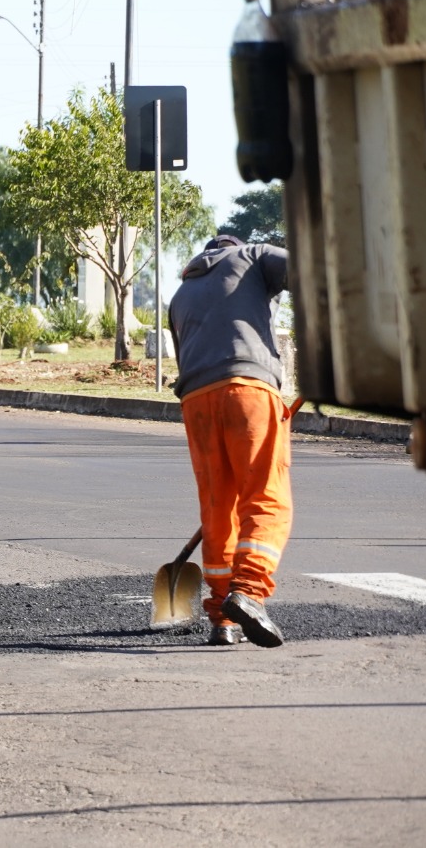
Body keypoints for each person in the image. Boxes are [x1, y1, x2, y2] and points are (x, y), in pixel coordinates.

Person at [168, 234, 291, 648]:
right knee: (265, 496)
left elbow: (184, 354)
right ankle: (250, 592)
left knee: (218, 506)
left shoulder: (182, 292)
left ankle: (223, 618)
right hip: (249, 390)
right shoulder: (255, 255)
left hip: (197, 401)